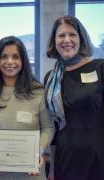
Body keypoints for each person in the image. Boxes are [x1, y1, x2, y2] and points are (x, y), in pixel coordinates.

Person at [0, 36, 54, 180]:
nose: (10, 61)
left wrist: (38, 150)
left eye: (16, 57)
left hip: (31, 172)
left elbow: (48, 127)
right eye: (4, 57)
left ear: (23, 61)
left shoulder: (38, 91)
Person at [44, 15, 104, 180]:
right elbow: (54, 128)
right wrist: (53, 169)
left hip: (98, 157)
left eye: (72, 34)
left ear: (81, 39)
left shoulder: (100, 67)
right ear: (55, 41)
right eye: (61, 35)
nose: (67, 40)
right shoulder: (51, 79)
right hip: (65, 159)